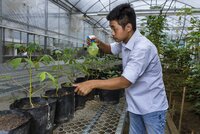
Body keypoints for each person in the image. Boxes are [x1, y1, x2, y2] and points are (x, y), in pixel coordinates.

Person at [74, 3, 168, 134]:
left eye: (114, 29)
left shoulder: (142, 48)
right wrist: (98, 42)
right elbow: (110, 49)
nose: (112, 33)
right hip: (135, 106)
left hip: (152, 107)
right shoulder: (125, 42)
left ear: (128, 27)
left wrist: (92, 83)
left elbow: (125, 81)